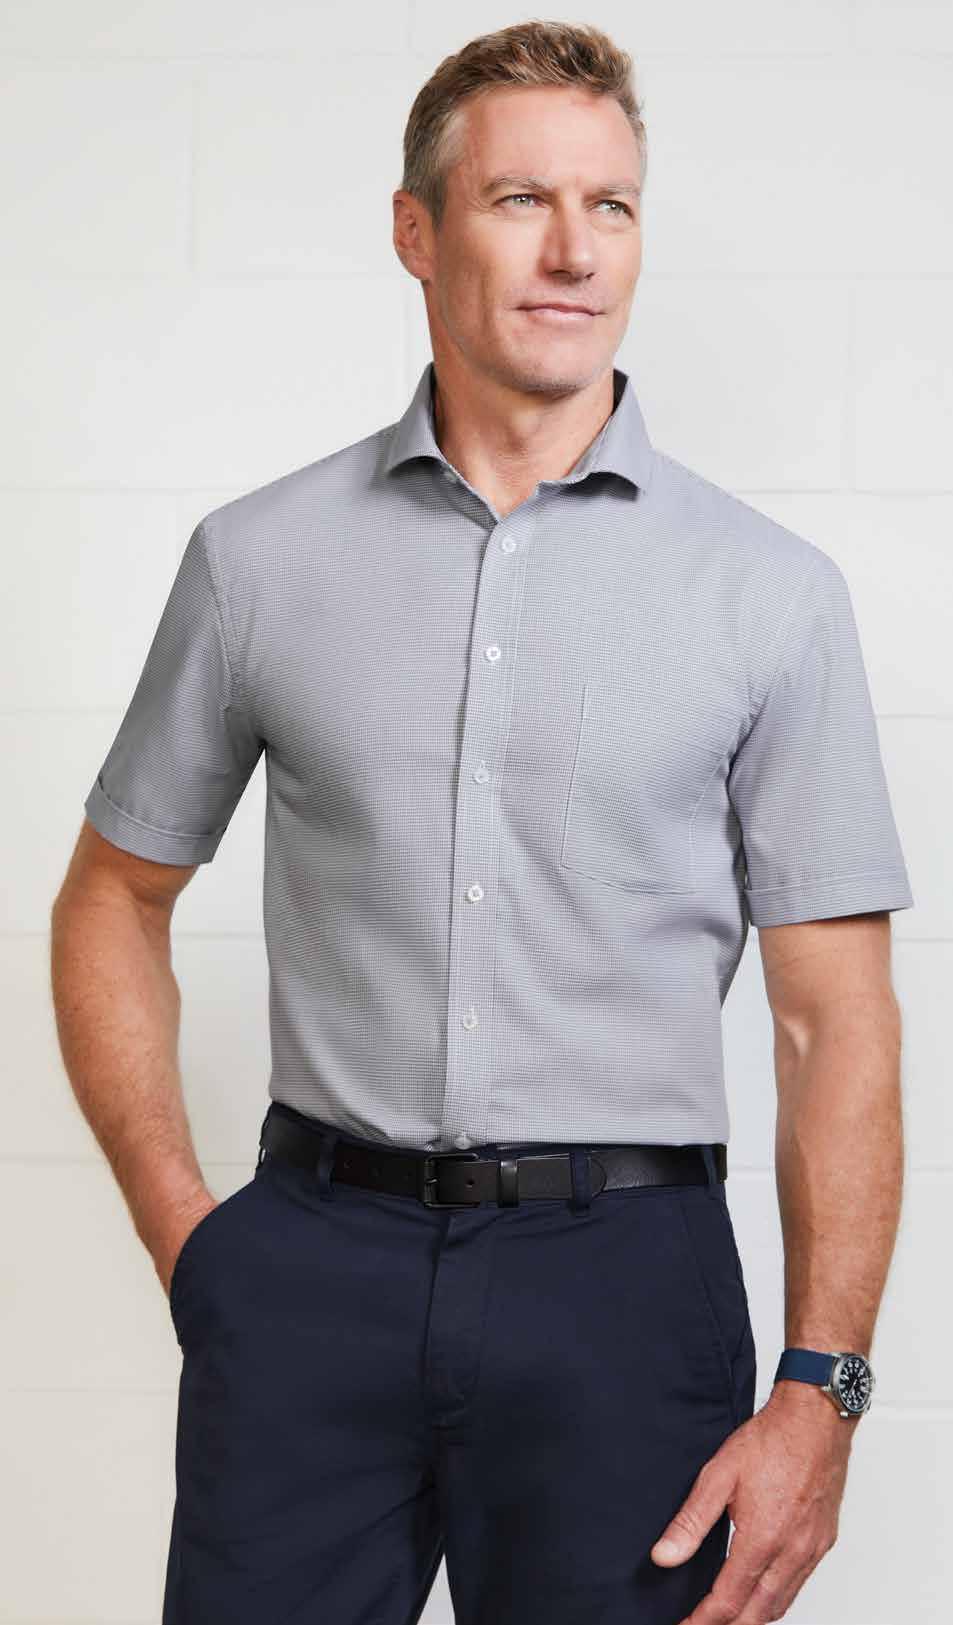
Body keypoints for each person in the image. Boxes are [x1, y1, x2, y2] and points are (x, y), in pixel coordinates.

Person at [50, 19, 914, 1625]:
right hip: (312, 1267)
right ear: (415, 228)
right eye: (522, 199)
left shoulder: (770, 598)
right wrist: (195, 1241)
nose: (575, 252)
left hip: (627, 1290)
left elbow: (831, 1019)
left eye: (612, 206)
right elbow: (111, 892)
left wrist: (824, 1383)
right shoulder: (258, 562)